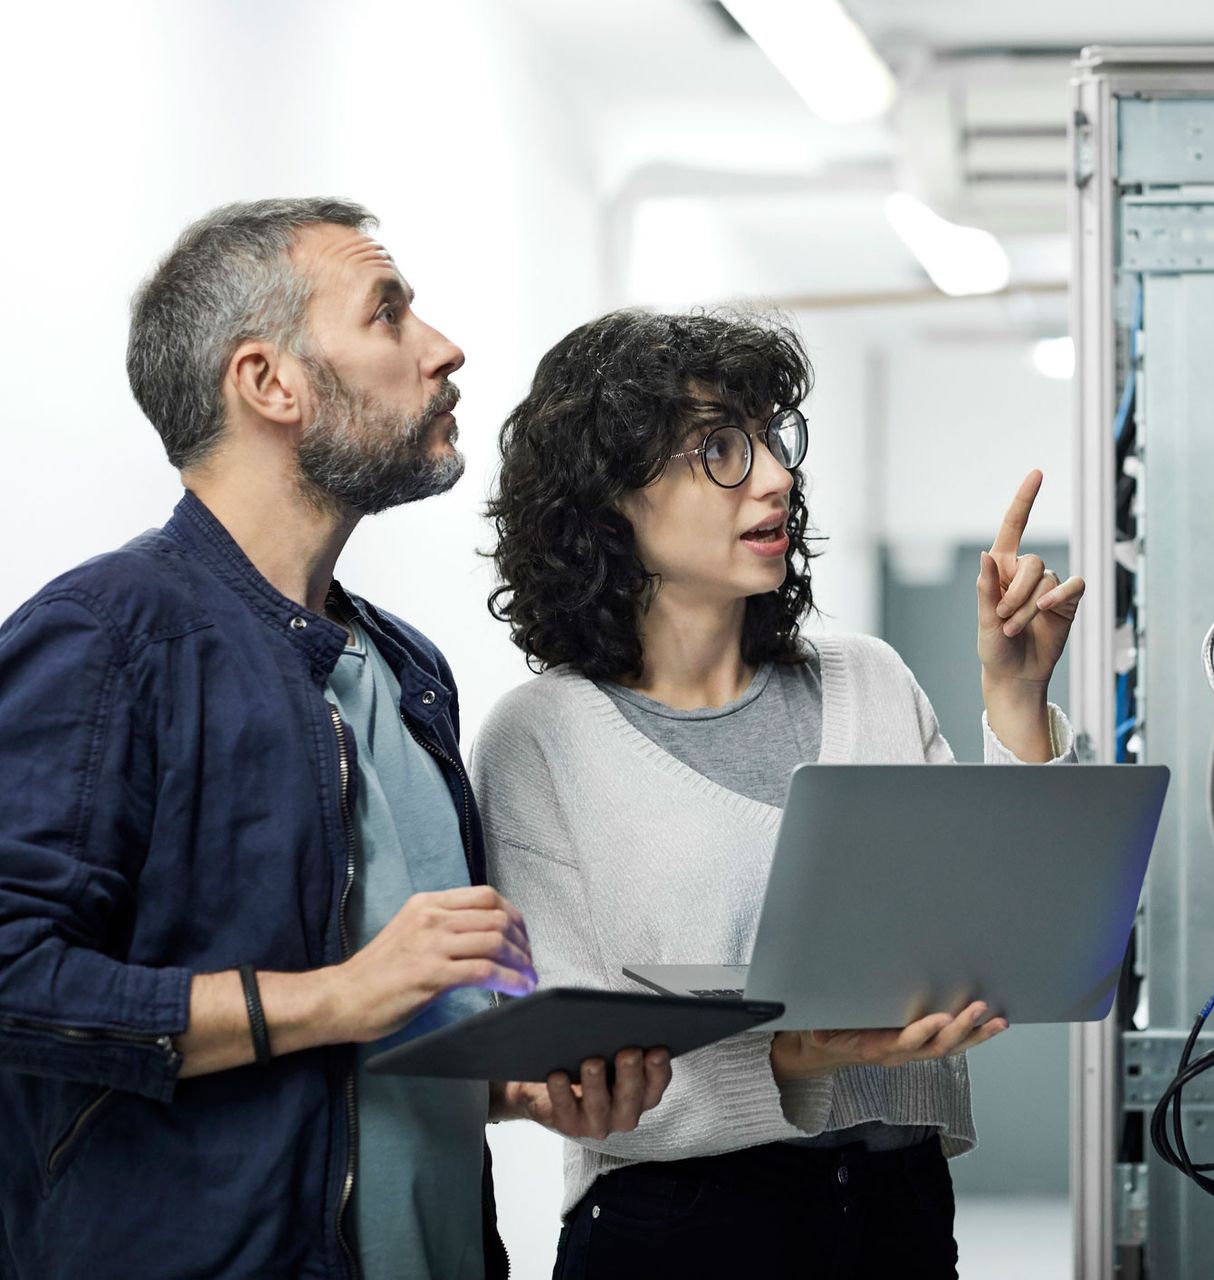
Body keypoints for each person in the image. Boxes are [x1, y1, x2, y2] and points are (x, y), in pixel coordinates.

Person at [0, 199, 670, 1280]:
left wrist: (508, 1083)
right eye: (390, 314)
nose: (444, 349)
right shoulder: (107, 639)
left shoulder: (409, 670)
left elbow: (357, 1062)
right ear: (271, 383)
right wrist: (333, 995)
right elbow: (15, 977)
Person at [471, 307, 1086, 1278]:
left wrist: (1014, 692)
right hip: (678, 1228)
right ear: (607, 501)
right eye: (719, 447)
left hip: (899, 1210)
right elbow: (581, 1061)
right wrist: (790, 1064)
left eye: (769, 438)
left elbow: (1006, 927)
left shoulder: (867, 677)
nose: (775, 474)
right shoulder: (541, 737)